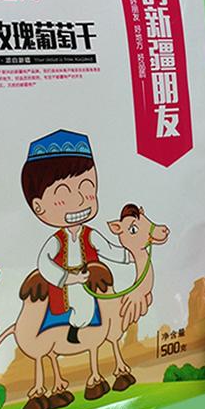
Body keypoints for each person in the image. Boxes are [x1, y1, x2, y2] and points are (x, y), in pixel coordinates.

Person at [21, 129, 131, 343]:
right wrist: (67, 278)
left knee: (90, 307)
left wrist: (131, 255)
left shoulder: (89, 235)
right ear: (38, 206)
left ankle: (85, 331)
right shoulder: (56, 240)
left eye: (87, 188)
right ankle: (69, 332)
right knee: (75, 307)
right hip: (66, 282)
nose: (80, 200)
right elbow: (44, 262)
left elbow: (108, 249)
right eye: (63, 194)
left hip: (87, 279)